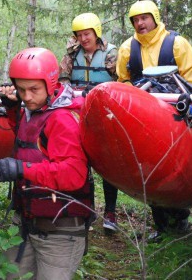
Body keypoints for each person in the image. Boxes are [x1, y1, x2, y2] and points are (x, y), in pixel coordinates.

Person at [0, 47, 94, 280]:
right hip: (27, 224)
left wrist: (19, 169)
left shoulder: (63, 118)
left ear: (51, 83)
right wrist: (14, 110)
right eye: (21, 89)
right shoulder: (33, 109)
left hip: (60, 231)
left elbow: (73, 174)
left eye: (33, 89)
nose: (26, 96)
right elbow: (35, 146)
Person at [116, 0, 192, 241]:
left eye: (144, 18)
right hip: (143, 117)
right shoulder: (127, 49)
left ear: (154, 17)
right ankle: (162, 226)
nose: (140, 23)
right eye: (135, 20)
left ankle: (180, 219)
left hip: (175, 112)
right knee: (150, 167)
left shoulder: (176, 44)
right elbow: (123, 81)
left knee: (174, 165)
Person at [58, 12, 120, 234]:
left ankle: (111, 213)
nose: (84, 39)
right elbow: (62, 81)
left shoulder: (111, 55)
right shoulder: (71, 56)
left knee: (108, 163)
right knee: (81, 162)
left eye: (87, 34)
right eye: (79, 35)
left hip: (104, 114)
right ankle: (87, 209)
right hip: (77, 114)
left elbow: (121, 82)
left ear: (96, 33)